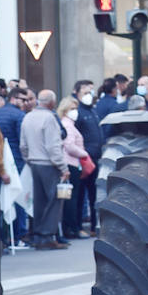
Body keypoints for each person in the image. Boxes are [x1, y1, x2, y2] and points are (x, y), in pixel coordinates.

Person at [20, 89, 70, 249]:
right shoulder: (49, 118)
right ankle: (47, 236)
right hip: (49, 164)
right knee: (54, 200)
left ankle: (38, 235)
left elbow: (23, 145)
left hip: (34, 163)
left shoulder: (28, 116)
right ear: (51, 102)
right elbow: (53, 146)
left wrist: (28, 159)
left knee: (39, 201)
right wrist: (63, 167)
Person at [0, 84, 29, 244]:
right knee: (18, 195)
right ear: (14, 98)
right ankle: (19, 233)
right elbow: (23, 140)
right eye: (23, 99)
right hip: (16, 159)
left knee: (4, 197)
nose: (26, 102)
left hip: (1, 158)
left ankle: (6, 235)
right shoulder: (19, 115)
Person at [56, 96, 91, 239]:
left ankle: (68, 228)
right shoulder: (68, 125)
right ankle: (72, 228)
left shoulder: (67, 124)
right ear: (65, 110)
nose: (75, 111)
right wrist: (84, 153)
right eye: (72, 109)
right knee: (72, 198)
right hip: (71, 163)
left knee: (69, 198)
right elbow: (69, 146)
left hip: (70, 163)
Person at [75, 86, 104, 235]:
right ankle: (78, 227)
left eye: (90, 92)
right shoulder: (78, 113)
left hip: (95, 158)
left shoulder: (93, 111)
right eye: (85, 93)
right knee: (80, 194)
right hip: (84, 158)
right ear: (77, 94)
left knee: (94, 193)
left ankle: (94, 226)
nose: (89, 95)